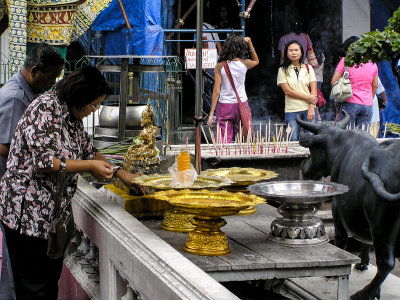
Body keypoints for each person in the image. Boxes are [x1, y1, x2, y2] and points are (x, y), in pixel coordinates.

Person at [0, 66, 144, 300]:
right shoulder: (44, 109)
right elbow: (45, 162)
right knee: (34, 288)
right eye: (94, 105)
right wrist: (88, 167)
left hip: (50, 217)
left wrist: (120, 173)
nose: (93, 110)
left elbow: (88, 151)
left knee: (47, 284)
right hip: (26, 217)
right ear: (80, 96)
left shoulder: (72, 115)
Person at [0, 42, 65, 300]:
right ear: (35, 71)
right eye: (50, 78)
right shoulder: (16, 97)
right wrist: (47, 158)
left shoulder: (29, 93)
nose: (51, 84)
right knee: (18, 261)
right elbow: (6, 146)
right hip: (14, 191)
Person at [207, 34, 259, 143]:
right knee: (242, 139)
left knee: (223, 140)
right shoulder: (245, 63)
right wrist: (250, 44)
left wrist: (211, 113)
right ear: (242, 48)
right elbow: (256, 61)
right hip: (242, 105)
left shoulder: (220, 66)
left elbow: (216, 91)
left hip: (225, 106)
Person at [331, 36, 378, 129]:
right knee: (363, 137)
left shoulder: (345, 61)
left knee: (347, 136)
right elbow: (375, 85)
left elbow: (334, 81)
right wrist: (368, 99)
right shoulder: (372, 63)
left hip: (349, 102)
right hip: (367, 105)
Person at [277, 40, 318, 141]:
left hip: (309, 109)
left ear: (301, 52)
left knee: (312, 140)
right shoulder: (282, 70)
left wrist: (311, 107)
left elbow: (314, 89)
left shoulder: (308, 68)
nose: (294, 53)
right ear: (286, 53)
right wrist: (308, 98)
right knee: (293, 140)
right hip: (292, 111)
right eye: (291, 50)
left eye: (296, 50)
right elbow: (288, 91)